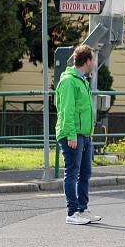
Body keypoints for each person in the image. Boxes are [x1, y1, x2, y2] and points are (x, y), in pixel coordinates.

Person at [55, 44, 101, 225]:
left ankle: (82, 208)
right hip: (71, 135)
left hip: (84, 134)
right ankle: (72, 212)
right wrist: (71, 135)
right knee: (72, 173)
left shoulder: (81, 79)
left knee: (85, 172)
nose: (94, 62)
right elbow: (66, 111)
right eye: (93, 59)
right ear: (87, 60)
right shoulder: (69, 81)